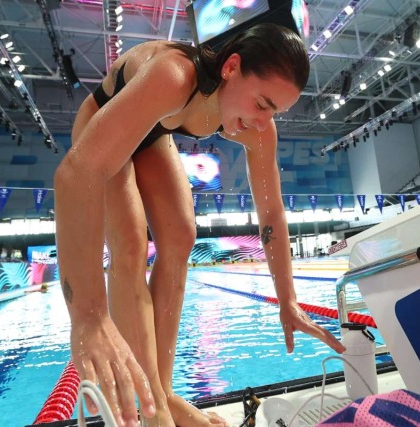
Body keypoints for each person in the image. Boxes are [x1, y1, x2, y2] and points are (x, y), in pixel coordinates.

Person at [54, 23, 346, 427]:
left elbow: (271, 213)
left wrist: (288, 299)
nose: (263, 123)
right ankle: (155, 410)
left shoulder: (259, 129)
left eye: (275, 111)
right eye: (262, 103)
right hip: (105, 118)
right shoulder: (174, 76)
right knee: (131, 246)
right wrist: (88, 317)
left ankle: (164, 393)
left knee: (180, 236)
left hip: (154, 131)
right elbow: (75, 174)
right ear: (231, 67)